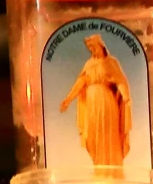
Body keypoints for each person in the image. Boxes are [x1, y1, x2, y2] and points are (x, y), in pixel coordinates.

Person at [57, 33, 135, 169]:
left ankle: (112, 169)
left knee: (108, 134)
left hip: (106, 101)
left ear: (101, 46)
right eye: (90, 49)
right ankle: (99, 167)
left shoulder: (111, 62)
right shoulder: (89, 64)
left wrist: (126, 96)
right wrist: (68, 99)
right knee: (93, 135)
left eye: (94, 47)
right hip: (91, 103)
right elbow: (80, 83)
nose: (92, 50)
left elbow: (120, 81)